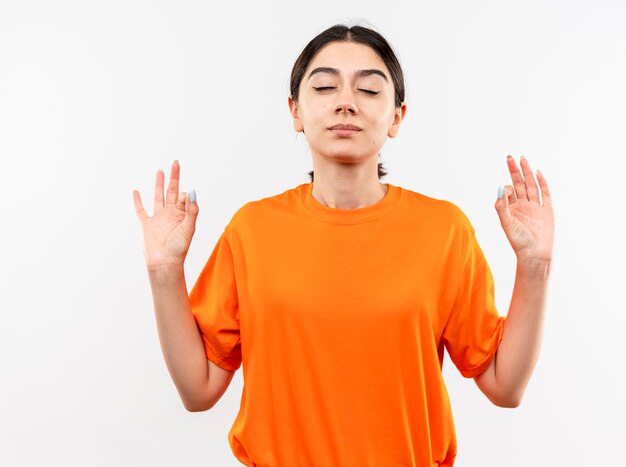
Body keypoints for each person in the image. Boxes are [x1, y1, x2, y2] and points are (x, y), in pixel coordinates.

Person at [133, 23, 554, 467]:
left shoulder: (444, 230)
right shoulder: (251, 230)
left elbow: (504, 386)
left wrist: (535, 265)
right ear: (295, 111)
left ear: (397, 117)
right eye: (325, 86)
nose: (346, 102)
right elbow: (198, 390)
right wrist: (164, 273)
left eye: (370, 90)